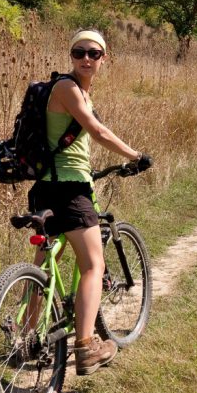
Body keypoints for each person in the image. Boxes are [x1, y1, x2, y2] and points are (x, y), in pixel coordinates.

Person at [28, 28, 146, 375]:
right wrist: (135, 154)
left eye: (93, 53)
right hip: (68, 190)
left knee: (43, 268)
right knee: (93, 265)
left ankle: (25, 339)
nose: (86, 58)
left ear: (103, 57)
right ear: (71, 55)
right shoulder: (67, 88)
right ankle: (85, 346)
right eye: (79, 52)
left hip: (46, 188)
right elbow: (98, 132)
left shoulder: (75, 91)